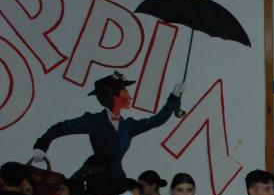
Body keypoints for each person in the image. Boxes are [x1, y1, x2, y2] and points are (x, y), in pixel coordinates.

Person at [32, 72, 183, 178]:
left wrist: (174, 96)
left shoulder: (128, 126)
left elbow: (158, 120)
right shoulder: (93, 121)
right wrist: (41, 146)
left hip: (116, 178)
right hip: (93, 175)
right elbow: (61, 128)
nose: (130, 96)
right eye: (125, 91)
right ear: (113, 95)